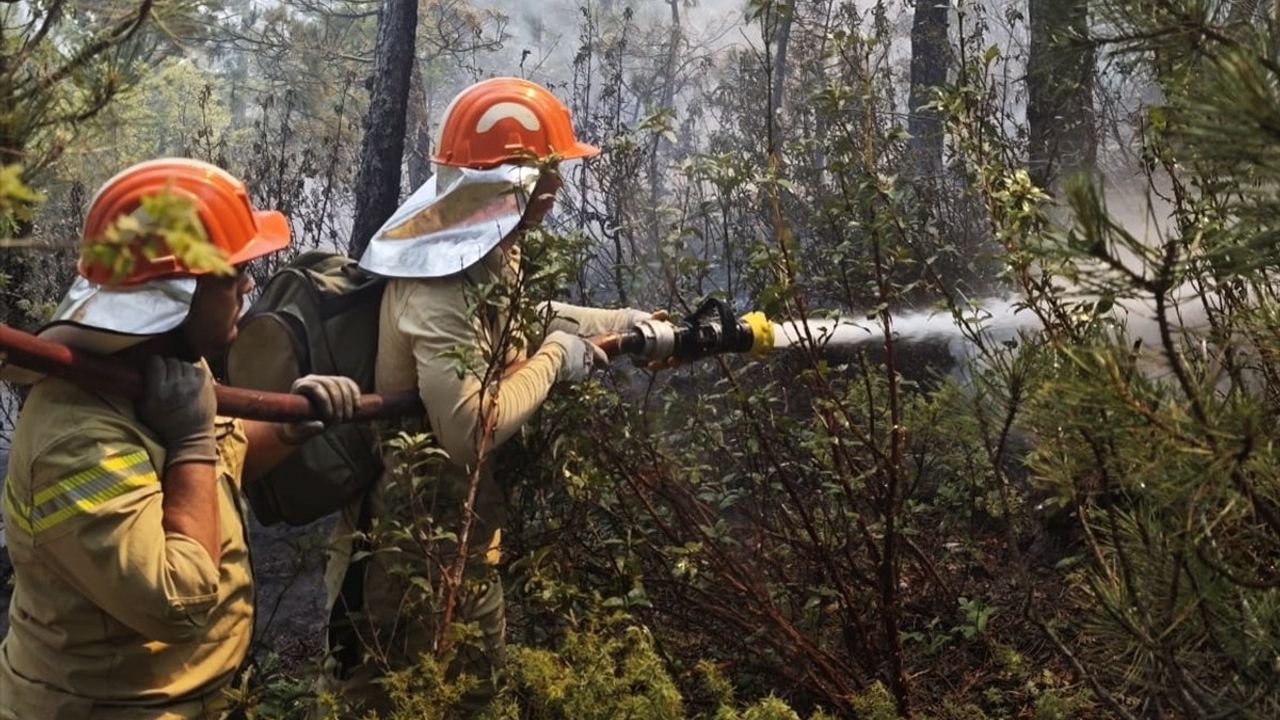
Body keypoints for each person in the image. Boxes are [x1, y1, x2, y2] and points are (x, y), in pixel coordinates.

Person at [320, 77, 664, 715]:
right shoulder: (438, 285)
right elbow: (468, 427)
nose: (559, 186)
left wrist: (630, 322)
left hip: (466, 544)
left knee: (473, 699)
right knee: (385, 705)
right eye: (550, 171)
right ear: (513, 181)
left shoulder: (485, 250)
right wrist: (558, 359)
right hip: (405, 560)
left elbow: (520, 318)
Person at [0, 158, 362, 719]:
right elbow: (176, 598)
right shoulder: (77, 441)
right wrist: (192, 439)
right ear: (174, 292)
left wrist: (289, 426)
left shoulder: (164, 371)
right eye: (230, 274)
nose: (249, 284)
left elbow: (221, 463)